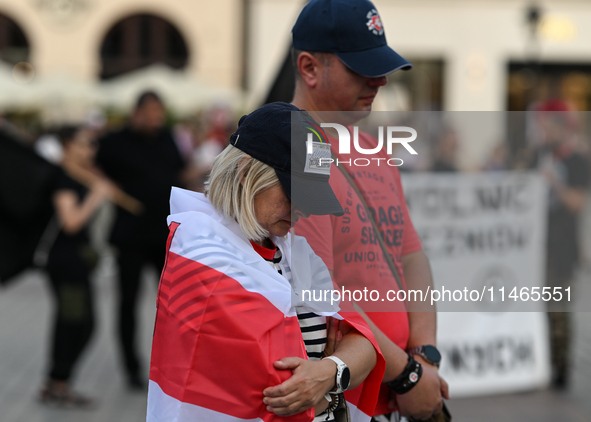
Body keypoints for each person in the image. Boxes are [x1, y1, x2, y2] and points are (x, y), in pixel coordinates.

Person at [147, 102, 385, 422]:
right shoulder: (201, 250)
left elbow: (366, 341)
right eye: (293, 192)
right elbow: (280, 388)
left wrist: (328, 373)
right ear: (246, 172)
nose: (304, 210)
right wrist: (338, 370)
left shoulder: (291, 249)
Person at [290, 1, 449, 421]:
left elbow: (410, 256)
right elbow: (323, 294)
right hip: (347, 400)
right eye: (361, 68)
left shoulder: (374, 151)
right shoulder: (299, 150)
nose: (379, 80)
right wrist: (408, 375)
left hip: (391, 390)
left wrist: (424, 355)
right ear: (309, 69)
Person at [95, 91, 186, 389]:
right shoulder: (114, 141)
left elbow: (180, 173)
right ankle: (131, 368)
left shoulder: (167, 139)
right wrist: (103, 184)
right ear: (137, 112)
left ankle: (173, 363)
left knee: (173, 304)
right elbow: (93, 166)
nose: (156, 118)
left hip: (164, 236)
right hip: (130, 237)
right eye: (151, 112)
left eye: (159, 112)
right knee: (128, 303)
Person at [39, 126, 114, 407]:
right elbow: (70, 222)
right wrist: (96, 196)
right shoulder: (64, 178)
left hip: (73, 262)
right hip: (65, 262)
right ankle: (57, 383)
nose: (90, 150)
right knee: (75, 323)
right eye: (84, 144)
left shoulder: (76, 175)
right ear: (68, 145)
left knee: (76, 322)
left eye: (92, 145)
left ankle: (56, 382)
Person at [530, 100, 589, 388]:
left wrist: (553, 182)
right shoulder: (537, 156)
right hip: (535, 248)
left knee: (559, 309)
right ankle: (540, 362)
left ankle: (561, 368)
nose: (543, 133)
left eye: (547, 128)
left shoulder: (577, 161)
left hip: (562, 250)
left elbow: (577, 203)